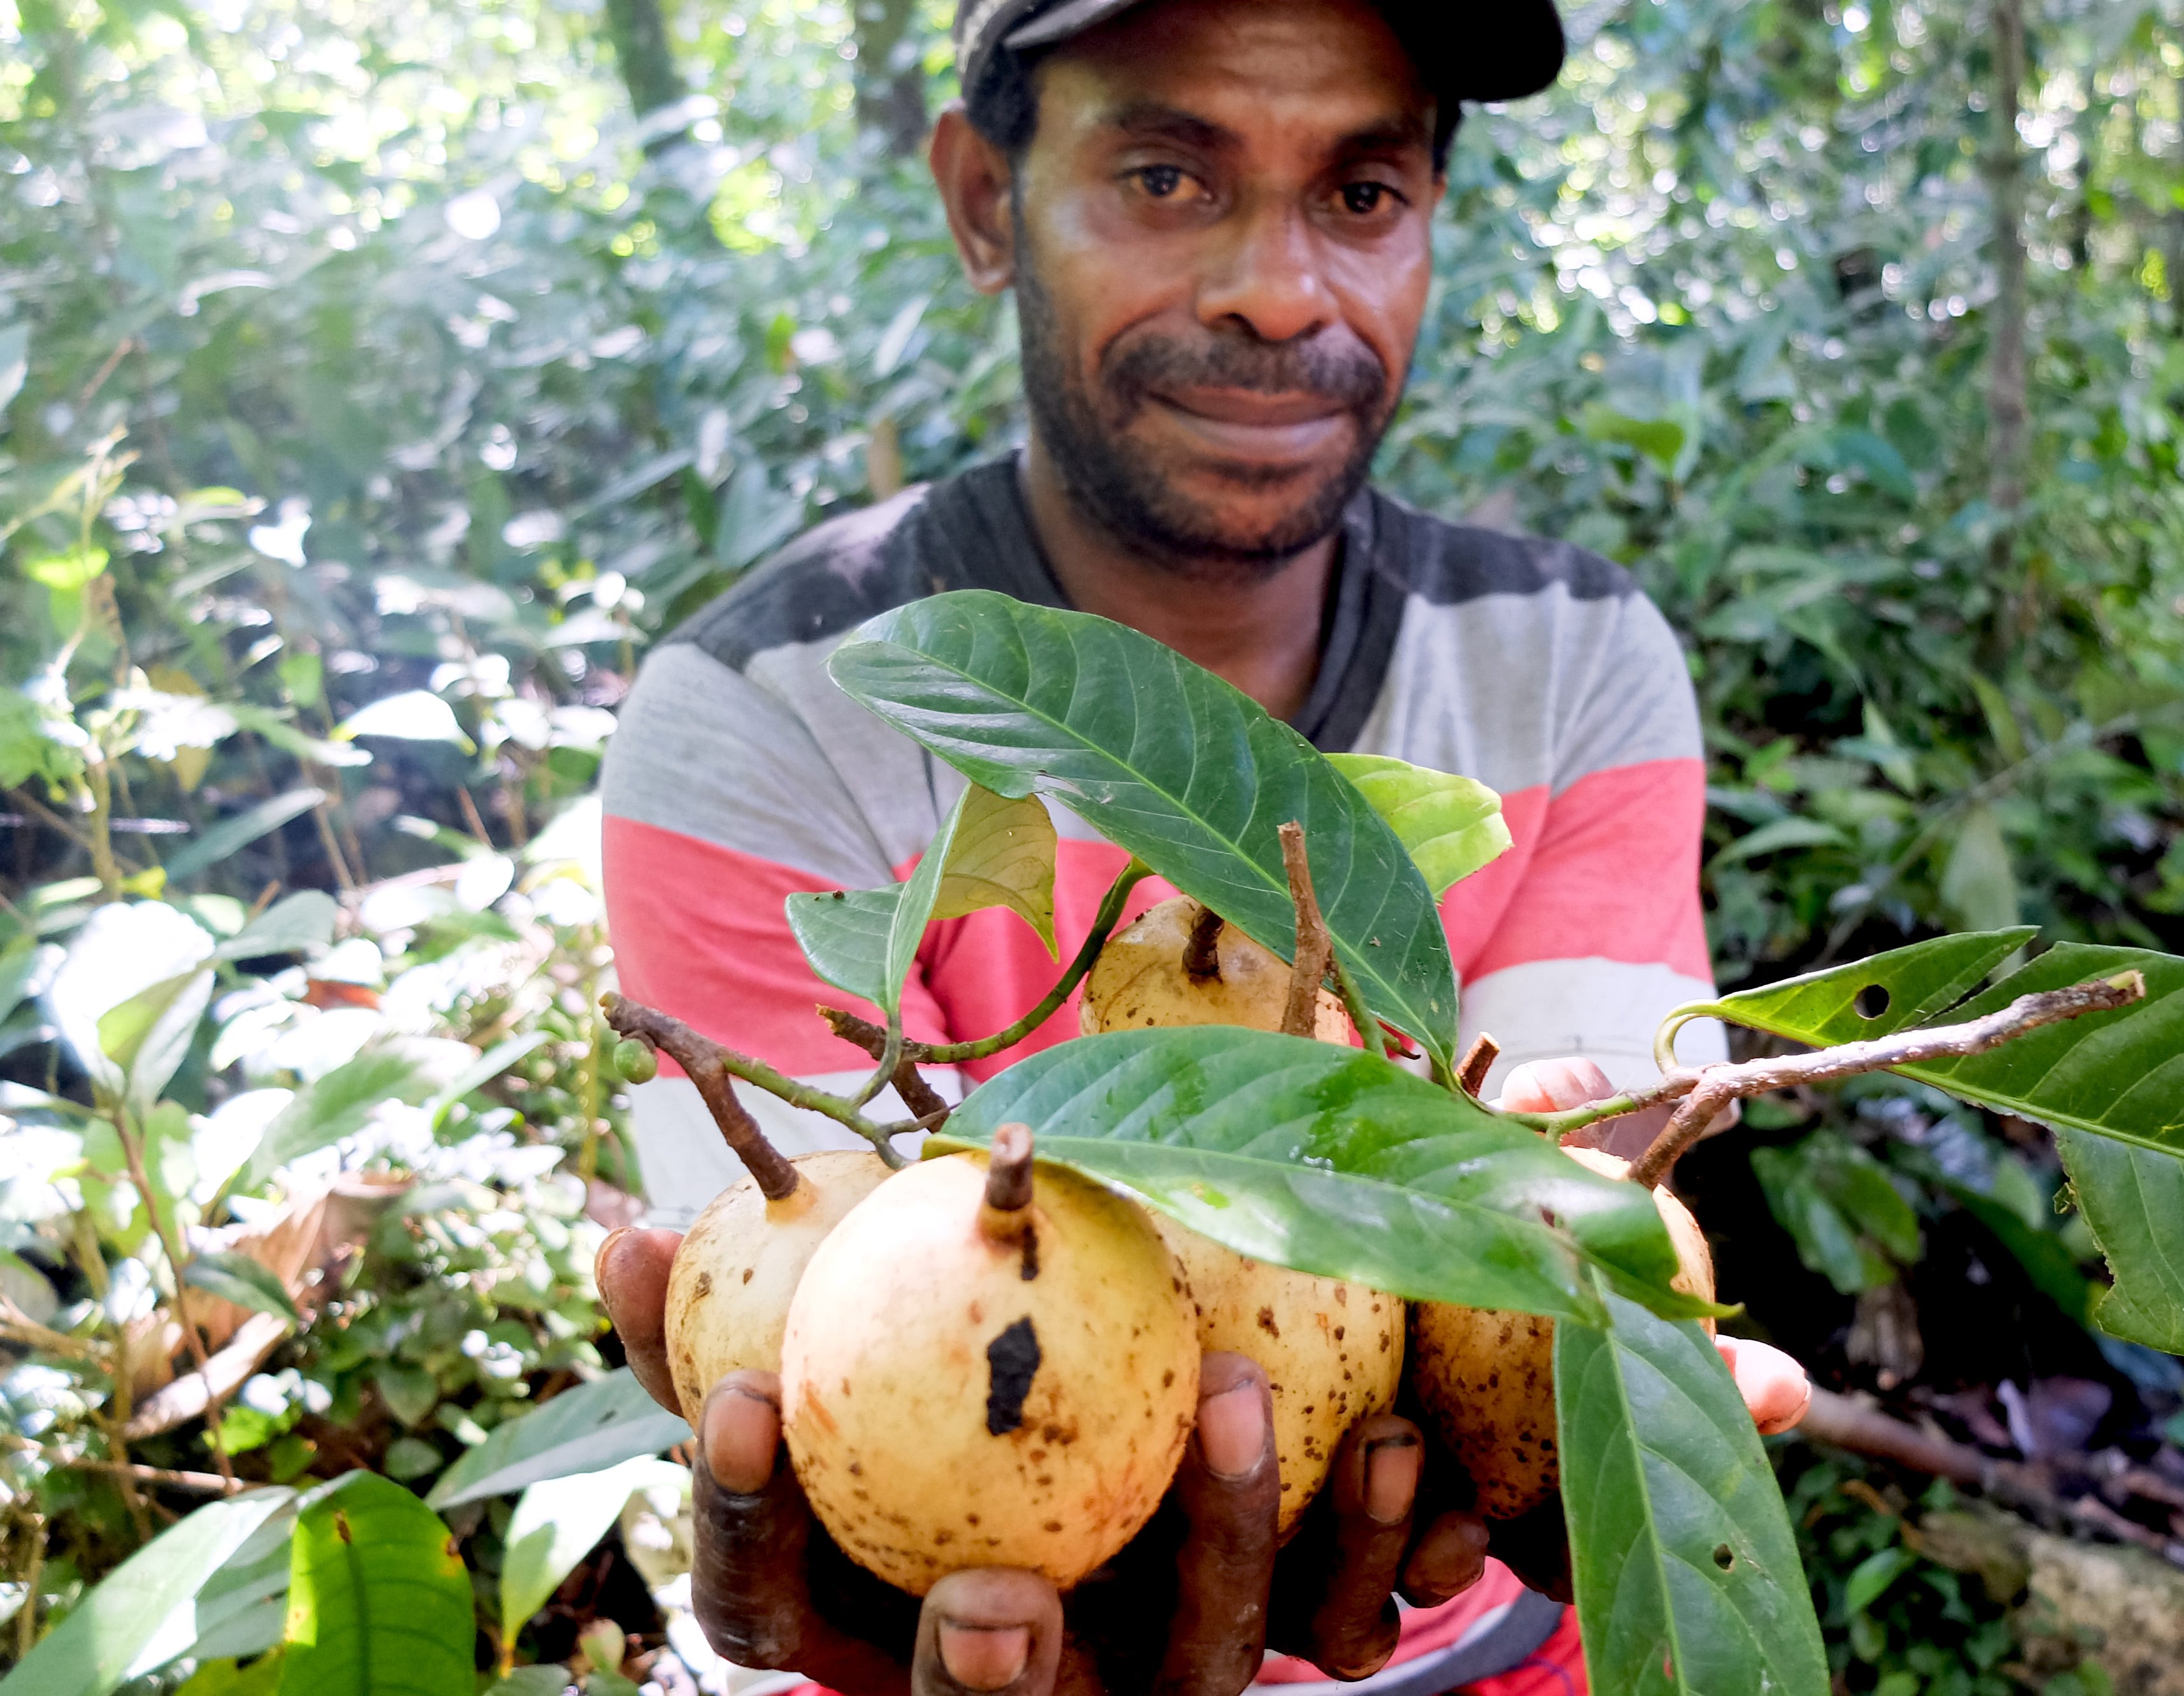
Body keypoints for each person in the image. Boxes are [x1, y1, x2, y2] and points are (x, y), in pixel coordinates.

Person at [593, 0, 1812, 1690]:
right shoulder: (763, 705)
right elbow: (814, 1344)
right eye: (1168, 176)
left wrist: (1573, 1229)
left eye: (1362, 196)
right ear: (978, 201)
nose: (1279, 289)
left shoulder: (1572, 658)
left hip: (1503, 1647)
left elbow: (1522, 1243)